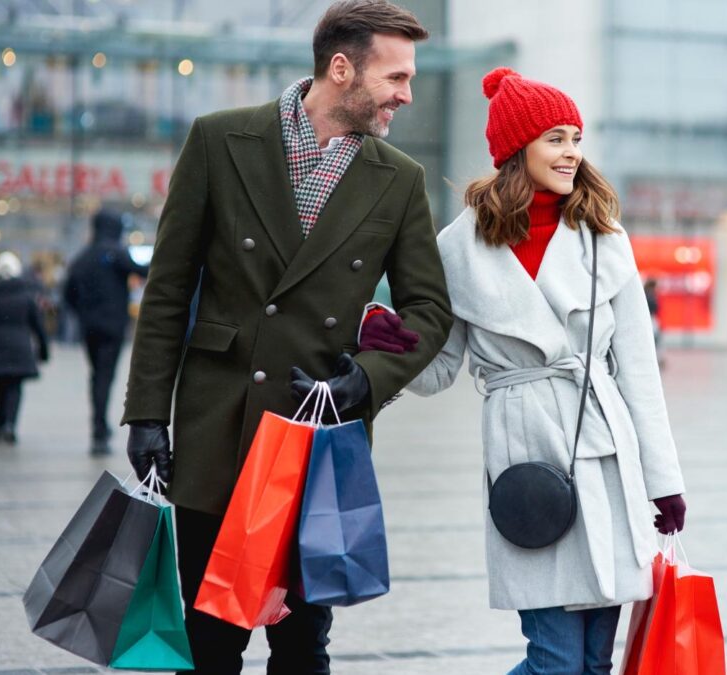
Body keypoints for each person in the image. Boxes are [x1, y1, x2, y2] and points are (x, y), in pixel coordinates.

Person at [120, 1, 452, 673]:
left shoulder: (401, 180)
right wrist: (148, 413)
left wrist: (366, 380)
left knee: (303, 645)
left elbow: (428, 310)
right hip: (218, 428)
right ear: (340, 68)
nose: (405, 95)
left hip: (315, 441)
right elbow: (168, 289)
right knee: (211, 637)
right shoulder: (219, 140)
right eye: (395, 78)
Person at [402, 68, 687, 675]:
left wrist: (663, 480)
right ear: (516, 148)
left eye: (576, 139)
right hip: (528, 463)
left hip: (607, 458)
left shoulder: (603, 236)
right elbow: (439, 370)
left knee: (591, 667)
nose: (571, 153)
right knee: (555, 662)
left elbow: (637, 369)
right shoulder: (458, 247)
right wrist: (392, 341)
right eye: (556, 138)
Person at [64, 209, 149, 455]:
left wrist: (83, 313)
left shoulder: (83, 257)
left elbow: (68, 294)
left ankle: (99, 424)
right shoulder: (116, 253)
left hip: (90, 327)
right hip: (112, 326)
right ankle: (99, 428)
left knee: (96, 374)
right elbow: (144, 271)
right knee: (105, 375)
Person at [0, 252, 50, 444]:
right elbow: (38, 325)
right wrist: (44, 349)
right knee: (15, 387)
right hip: (19, 348)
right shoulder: (26, 294)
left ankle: (0, 424)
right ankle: (10, 424)